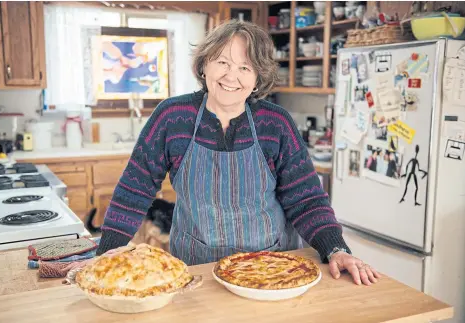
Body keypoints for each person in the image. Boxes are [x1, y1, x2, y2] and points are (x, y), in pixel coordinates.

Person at [96, 20, 380, 286]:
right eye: (222, 62)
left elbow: (306, 199)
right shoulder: (173, 117)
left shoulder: (275, 124)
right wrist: (108, 250)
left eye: (245, 67)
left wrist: (336, 247)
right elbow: (135, 188)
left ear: (257, 78)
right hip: (197, 271)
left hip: (273, 270)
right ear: (204, 65)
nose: (232, 76)